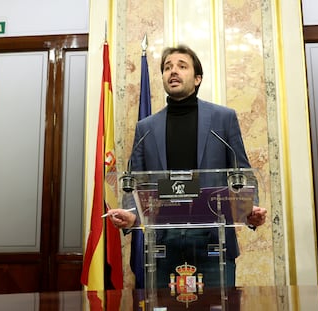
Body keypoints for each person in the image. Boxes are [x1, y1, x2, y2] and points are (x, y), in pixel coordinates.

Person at [107, 45, 267, 288]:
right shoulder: (145, 128)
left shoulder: (223, 119)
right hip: (163, 244)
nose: (173, 71)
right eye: (168, 67)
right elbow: (136, 184)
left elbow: (243, 173)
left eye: (182, 66)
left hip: (213, 242)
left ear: (197, 78)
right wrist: (131, 215)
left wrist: (248, 210)